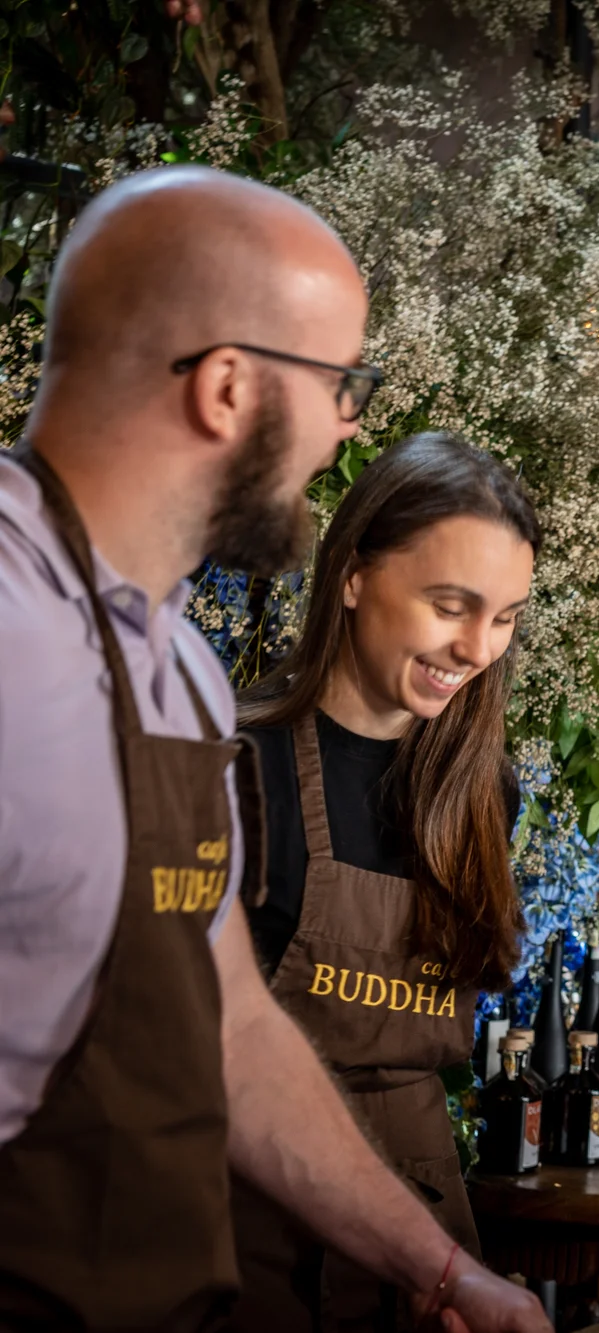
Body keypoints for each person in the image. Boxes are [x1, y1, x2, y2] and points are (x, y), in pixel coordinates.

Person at [0, 166, 547, 1331]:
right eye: (342, 381)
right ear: (229, 387)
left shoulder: (178, 674)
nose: (352, 422)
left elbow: (237, 1031)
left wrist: (449, 1274)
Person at [226, 432, 539, 1331]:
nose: (478, 646)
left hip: (428, 1235)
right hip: (249, 1227)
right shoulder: (238, 763)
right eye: (452, 605)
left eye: (507, 616)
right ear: (355, 573)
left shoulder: (482, 792)